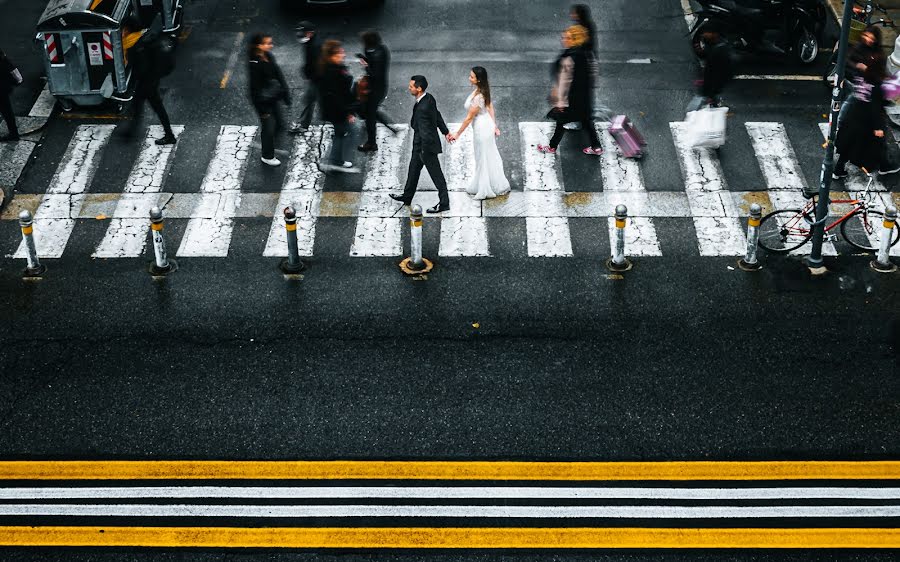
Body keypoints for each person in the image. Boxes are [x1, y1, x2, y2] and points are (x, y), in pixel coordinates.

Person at [389, 75, 453, 213]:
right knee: (413, 171)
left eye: (411, 86)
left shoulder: (423, 107)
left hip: (425, 147)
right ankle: (407, 197)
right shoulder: (428, 98)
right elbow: (437, 115)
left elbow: (425, 132)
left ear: (419, 88)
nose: (409, 88)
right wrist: (445, 131)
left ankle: (444, 203)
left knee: (437, 176)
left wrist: (424, 150)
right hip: (420, 145)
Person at [833, 50, 900, 178]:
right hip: (867, 121)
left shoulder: (862, 75)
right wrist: (878, 127)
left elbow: (849, 71)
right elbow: (875, 107)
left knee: (848, 145)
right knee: (877, 144)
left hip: (853, 116)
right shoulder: (877, 84)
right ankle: (885, 166)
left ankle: (838, 170)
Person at [537, 25, 602, 156]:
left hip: (572, 99)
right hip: (585, 97)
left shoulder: (568, 58)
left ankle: (551, 147)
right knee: (586, 120)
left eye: (566, 38)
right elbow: (594, 73)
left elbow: (564, 82)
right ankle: (597, 147)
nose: (563, 40)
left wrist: (560, 102)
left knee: (561, 121)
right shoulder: (587, 54)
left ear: (574, 40)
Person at [452, 66, 510, 200]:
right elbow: (490, 107)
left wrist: (457, 134)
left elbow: (468, 118)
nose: (469, 78)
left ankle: (485, 189)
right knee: (487, 156)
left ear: (478, 80)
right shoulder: (482, 90)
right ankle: (492, 184)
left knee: (482, 157)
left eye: (472, 77)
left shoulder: (479, 97)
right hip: (486, 125)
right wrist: (494, 125)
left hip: (482, 128)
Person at [120, 17, 176, 145]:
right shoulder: (139, 39)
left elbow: (141, 67)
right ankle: (130, 132)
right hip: (149, 80)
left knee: (154, 107)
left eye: (124, 29)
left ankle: (169, 135)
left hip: (147, 82)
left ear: (128, 29)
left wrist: (139, 80)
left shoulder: (135, 45)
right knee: (140, 106)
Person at [248, 33, 291, 167]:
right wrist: (263, 110)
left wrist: (285, 94)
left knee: (279, 123)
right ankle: (267, 155)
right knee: (268, 128)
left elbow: (278, 75)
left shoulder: (268, 56)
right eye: (267, 43)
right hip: (264, 102)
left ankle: (273, 142)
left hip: (273, 97)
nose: (270, 45)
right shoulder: (254, 64)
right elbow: (254, 90)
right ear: (259, 46)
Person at [318, 40, 358, 173]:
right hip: (337, 111)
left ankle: (336, 160)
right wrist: (348, 112)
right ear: (331, 56)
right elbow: (338, 97)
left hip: (337, 110)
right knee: (344, 134)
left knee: (342, 134)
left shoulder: (334, 68)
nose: (343, 54)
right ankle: (333, 161)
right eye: (339, 53)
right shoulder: (331, 72)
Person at [357, 30, 396, 152]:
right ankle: (389, 125)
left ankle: (371, 143)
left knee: (370, 115)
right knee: (369, 110)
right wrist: (365, 58)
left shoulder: (377, 55)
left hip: (375, 89)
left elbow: (375, 75)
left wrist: (366, 65)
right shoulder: (381, 49)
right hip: (379, 87)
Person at [289, 21, 321, 134]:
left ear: (310, 33)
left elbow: (317, 65)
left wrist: (310, 76)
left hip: (317, 79)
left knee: (309, 100)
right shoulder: (310, 42)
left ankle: (303, 125)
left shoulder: (315, 46)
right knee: (310, 100)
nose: (301, 38)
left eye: (303, 35)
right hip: (314, 77)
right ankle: (303, 124)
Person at [698, 28, 733, 107]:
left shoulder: (716, 52)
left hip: (716, 78)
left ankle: (713, 100)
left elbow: (710, 73)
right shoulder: (720, 49)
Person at [0, 47, 22, 142]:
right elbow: (16, 75)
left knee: (6, 111)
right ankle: (13, 133)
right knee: (7, 112)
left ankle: (13, 134)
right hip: (2, 90)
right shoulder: (3, 59)